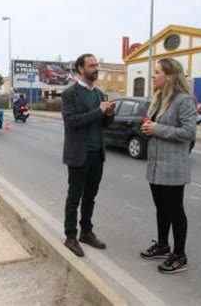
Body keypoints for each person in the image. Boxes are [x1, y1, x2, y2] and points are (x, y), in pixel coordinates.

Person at [140, 58, 197, 274]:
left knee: (175, 211)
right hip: (155, 166)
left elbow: (189, 133)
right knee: (161, 209)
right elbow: (155, 126)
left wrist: (157, 128)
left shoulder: (184, 100)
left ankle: (180, 255)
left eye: (157, 72)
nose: (153, 76)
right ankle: (163, 245)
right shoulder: (159, 97)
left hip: (173, 167)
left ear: (170, 76)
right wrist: (146, 128)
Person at [61, 54, 115, 257]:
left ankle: (86, 231)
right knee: (74, 196)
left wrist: (109, 114)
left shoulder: (100, 94)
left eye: (97, 65)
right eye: (92, 65)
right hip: (78, 154)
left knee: (90, 196)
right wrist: (99, 112)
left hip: (97, 153)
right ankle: (70, 236)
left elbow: (104, 124)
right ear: (80, 69)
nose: (96, 68)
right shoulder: (70, 94)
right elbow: (72, 121)